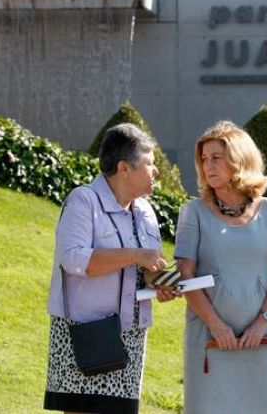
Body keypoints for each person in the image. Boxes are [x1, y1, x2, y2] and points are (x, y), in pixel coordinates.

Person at [44, 123, 176, 414]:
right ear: (124, 168)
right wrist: (136, 254)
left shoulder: (146, 211)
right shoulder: (83, 201)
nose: (156, 171)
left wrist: (160, 281)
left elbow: (143, 268)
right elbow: (74, 259)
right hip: (85, 334)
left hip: (130, 336)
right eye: (150, 164)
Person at [174, 120, 267, 414]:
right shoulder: (193, 212)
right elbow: (185, 277)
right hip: (210, 340)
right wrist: (216, 325)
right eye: (204, 159)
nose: (207, 166)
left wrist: (263, 320)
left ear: (239, 159)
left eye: (216, 158)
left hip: (263, 338)